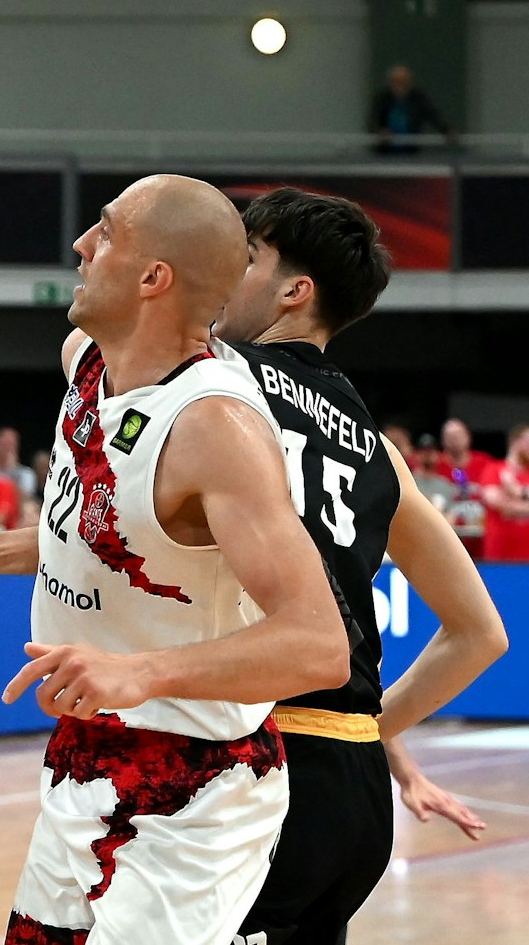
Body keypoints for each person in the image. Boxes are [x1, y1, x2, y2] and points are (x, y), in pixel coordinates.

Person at [0, 175, 351, 943]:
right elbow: (117, 528)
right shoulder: (84, 360)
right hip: (86, 750)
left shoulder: (215, 426)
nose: (80, 245)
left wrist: (138, 670)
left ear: (153, 278)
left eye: (104, 231)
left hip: (199, 774)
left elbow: (318, 643)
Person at [215, 187, 508, 943]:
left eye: (247, 257)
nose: (224, 270)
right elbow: (480, 632)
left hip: (255, 767)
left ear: (294, 290)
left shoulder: (214, 380)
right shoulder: (375, 444)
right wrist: (373, 737)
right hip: (355, 798)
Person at [431, 417, 498, 558]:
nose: (454, 440)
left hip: (479, 536)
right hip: (446, 535)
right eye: (449, 436)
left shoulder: (484, 462)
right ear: (442, 440)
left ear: (468, 436)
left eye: (458, 435)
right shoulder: (435, 464)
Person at [368, 65, 454, 155]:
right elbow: (372, 120)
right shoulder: (381, 98)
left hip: (411, 151)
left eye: (404, 82)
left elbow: (433, 114)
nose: (400, 86)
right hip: (385, 152)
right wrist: (379, 131)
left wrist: (446, 129)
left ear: (410, 83)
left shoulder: (418, 98)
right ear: (390, 83)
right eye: (396, 82)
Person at [484, 425, 529, 561]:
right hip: (498, 554)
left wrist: (516, 492)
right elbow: (493, 501)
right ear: (516, 442)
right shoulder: (494, 469)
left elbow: (505, 505)